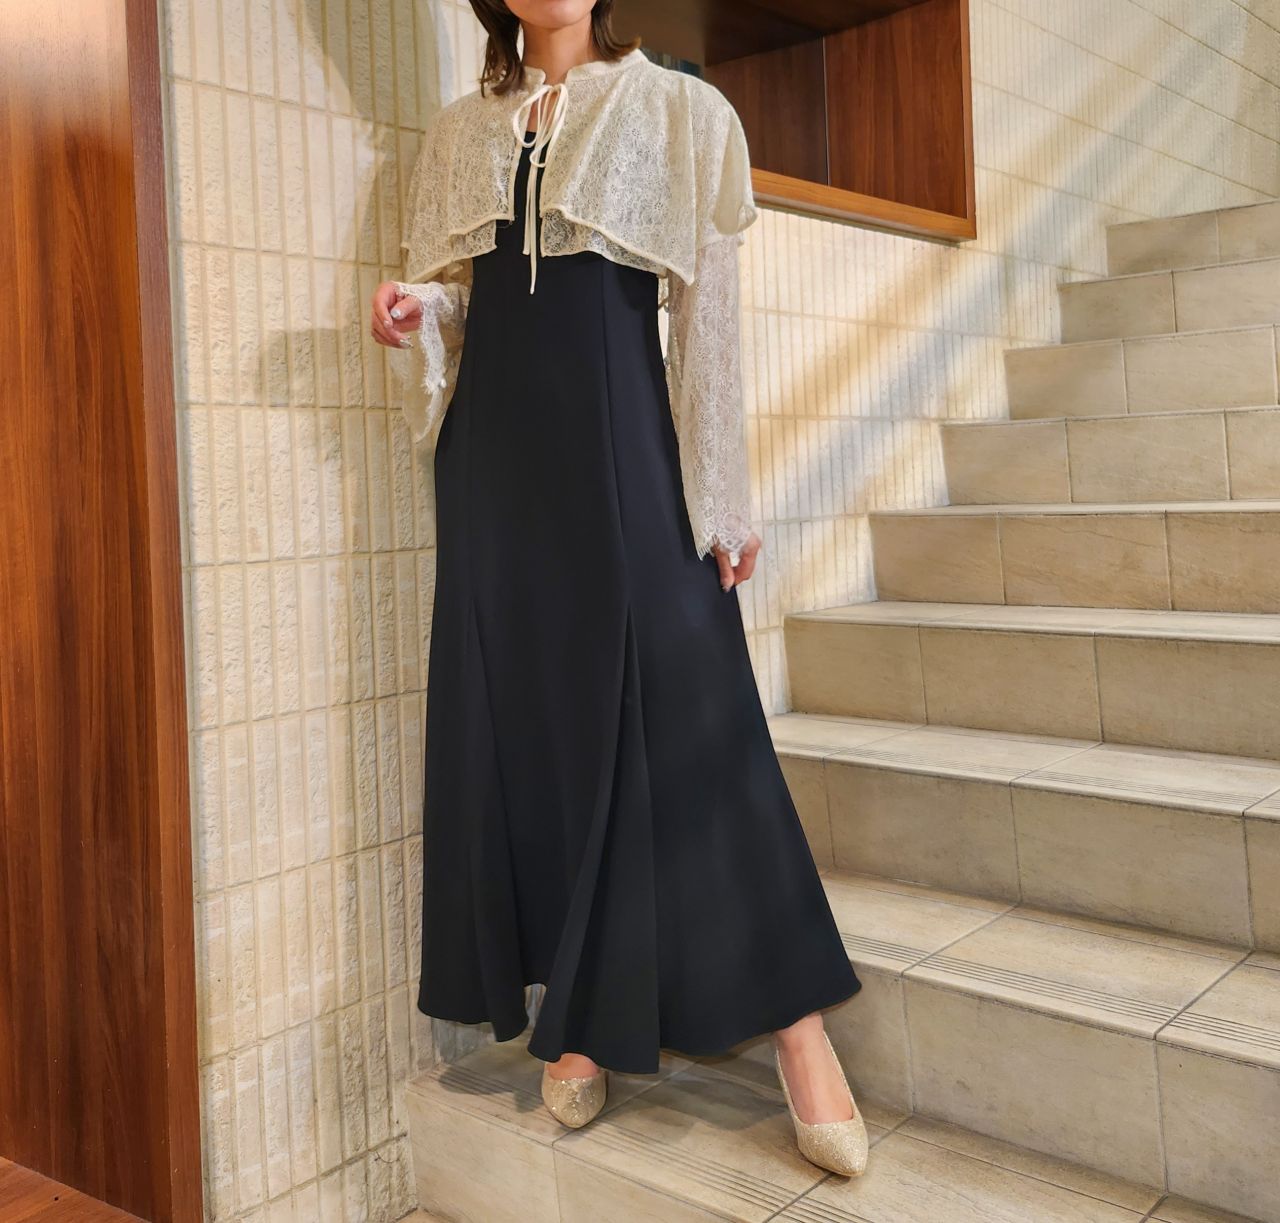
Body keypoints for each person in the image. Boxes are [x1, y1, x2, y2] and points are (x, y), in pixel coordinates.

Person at [369, 0, 867, 1177]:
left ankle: (798, 1029)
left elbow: (704, 316)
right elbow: (475, 296)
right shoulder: (459, 132)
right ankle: (579, 1010)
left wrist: (720, 495)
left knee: (697, 710)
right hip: (495, 468)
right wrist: (420, 307)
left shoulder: (678, 110)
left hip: (622, 443)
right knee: (539, 720)